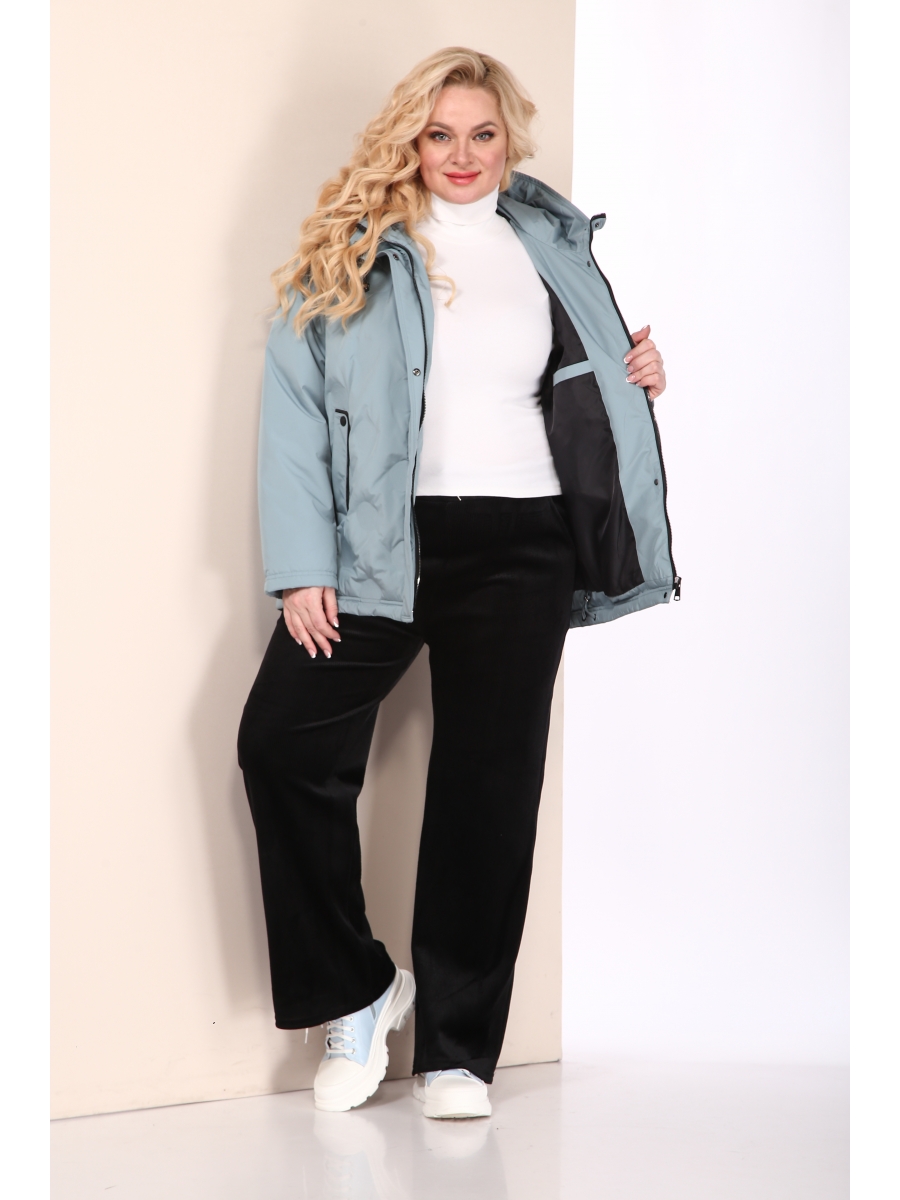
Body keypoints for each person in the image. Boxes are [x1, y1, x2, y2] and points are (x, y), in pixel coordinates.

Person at [237, 47, 677, 1121]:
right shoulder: (353, 250)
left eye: (483, 134)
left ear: (508, 139)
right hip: (383, 547)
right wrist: (301, 569)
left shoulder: (550, 245)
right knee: (282, 745)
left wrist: (640, 379)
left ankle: (457, 1055)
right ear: (412, 140)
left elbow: (587, 383)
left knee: (489, 790)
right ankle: (358, 991)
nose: (463, 155)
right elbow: (294, 415)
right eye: (441, 134)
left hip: (525, 544)